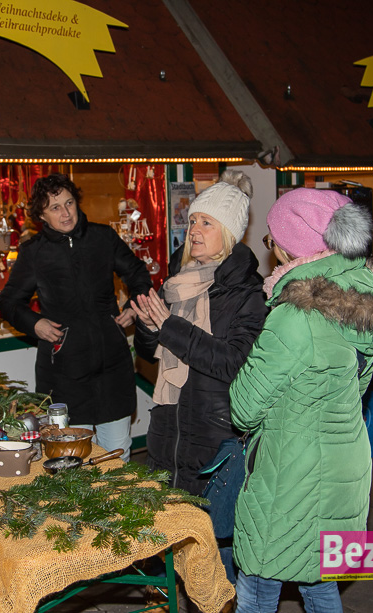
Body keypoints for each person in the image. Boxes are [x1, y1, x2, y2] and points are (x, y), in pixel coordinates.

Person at [229, 188, 373, 613]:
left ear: (293, 244)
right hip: (344, 462)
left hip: (293, 471)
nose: (272, 249)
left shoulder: (295, 316)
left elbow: (244, 407)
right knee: (318, 579)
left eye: (272, 239)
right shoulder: (364, 304)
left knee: (258, 582)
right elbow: (356, 385)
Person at [132, 170, 267, 586]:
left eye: (206, 222)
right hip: (169, 431)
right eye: (192, 221)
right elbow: (152, 354)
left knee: (214, 556)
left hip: (215, 438)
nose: (194, 230)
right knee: (172, 546)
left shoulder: (247, 293)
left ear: (228, 232)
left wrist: (169, 327)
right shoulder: (178, 282)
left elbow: (233, 362)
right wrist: (148, 329)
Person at [0, 174, 152, 461]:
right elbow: (9, 303)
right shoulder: (33, 252)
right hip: (63, 373)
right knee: (71, 462)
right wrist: (35, 324)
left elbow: (139, 274)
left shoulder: (103, 238)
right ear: (41, 215)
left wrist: (135, 305)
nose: (66, 213)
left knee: (116, 457)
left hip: (112, 369)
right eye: (55, 207)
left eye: (69, 203)